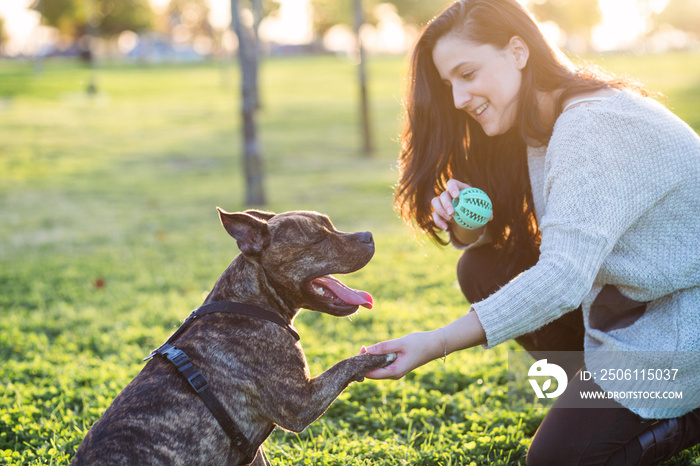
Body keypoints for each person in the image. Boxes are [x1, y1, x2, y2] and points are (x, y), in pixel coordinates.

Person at [360, 0, 700, 464]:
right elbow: (516, 245)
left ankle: (687, 412)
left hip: (683, 323)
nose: (459, 98)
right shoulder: (540, 124)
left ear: (518, 51)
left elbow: (561, 278)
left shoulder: (590, 126)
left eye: (468, 73)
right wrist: (466, 214)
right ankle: (592, 399)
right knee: (483, 267)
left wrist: (435, 341)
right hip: (627, 308)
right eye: (449, 84)